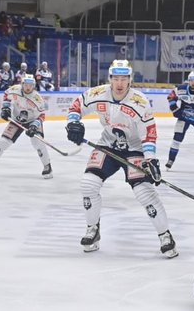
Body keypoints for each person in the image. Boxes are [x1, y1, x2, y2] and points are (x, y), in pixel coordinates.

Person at [65, 59, 177, 258]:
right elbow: (76, 106)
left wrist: (150, 160)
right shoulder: (98, 94)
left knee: (144, 192)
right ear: (110, 79)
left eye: (123, 79)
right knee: (88, 184)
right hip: (108, 144)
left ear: (129, 80)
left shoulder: (140, 102)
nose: (119, 83)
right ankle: (93, 229)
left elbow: (149, 133)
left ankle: (165, 235)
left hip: (135, 149)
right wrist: (73, 123)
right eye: (115, 78)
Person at [0, 74, 52, 179]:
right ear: (22, 84)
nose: (28, 87)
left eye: (31, 85)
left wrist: (33, 126)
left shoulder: (37, 98)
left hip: (33, 120)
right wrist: (5, 108)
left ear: (34, 86)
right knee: (2, 142)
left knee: (37, 142)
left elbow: (42, 115)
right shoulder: (15, 89)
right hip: (16, 120)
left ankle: (47, 166)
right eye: (26, 85)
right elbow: (6, 95)